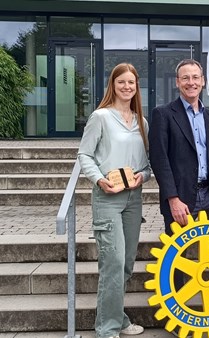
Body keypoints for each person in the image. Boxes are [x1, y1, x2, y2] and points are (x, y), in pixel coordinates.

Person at [148, 59, 209, 302]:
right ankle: (176, 303)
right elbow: (160, 160)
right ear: (177, 83)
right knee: (175, 250)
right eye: (186, 78)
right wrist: (173, 199)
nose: (191, 82)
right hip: (181, 196)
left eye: (195, 77)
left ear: (202, 82)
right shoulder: (163, 115)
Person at [78, 63, 150, 338]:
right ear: (113, 85)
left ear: (136, 87)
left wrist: (143, 177)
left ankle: (118, 318)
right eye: (121, 82)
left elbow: (146, 166)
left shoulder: (141, 122)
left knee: (127, 263)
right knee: (113, 262)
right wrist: (98, 179)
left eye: (131, 82)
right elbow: (84, 155)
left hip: (133, 199)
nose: (127, 87)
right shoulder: (101, 117)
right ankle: (107, 330)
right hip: (108, 198)